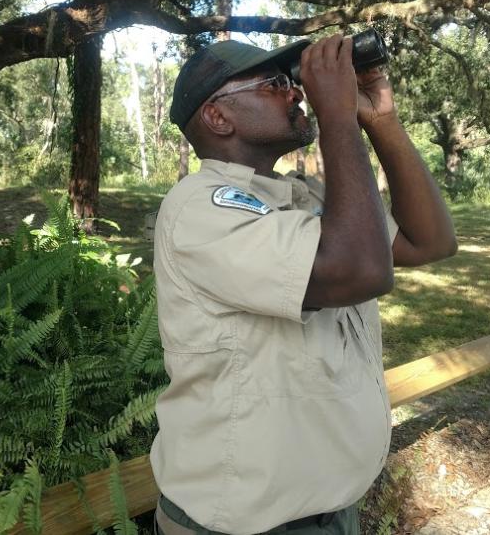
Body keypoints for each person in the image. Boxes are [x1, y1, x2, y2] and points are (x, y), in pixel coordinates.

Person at [150, 34, 457, 535]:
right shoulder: (200, 209)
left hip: (331, 514)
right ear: (217, 117)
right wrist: (336, 115)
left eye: (293, 82)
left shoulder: (301, 196)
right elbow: (360, 270)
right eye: (275, 83)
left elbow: (430, 242)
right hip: (244, 527)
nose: (296, 92)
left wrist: (380, 121)